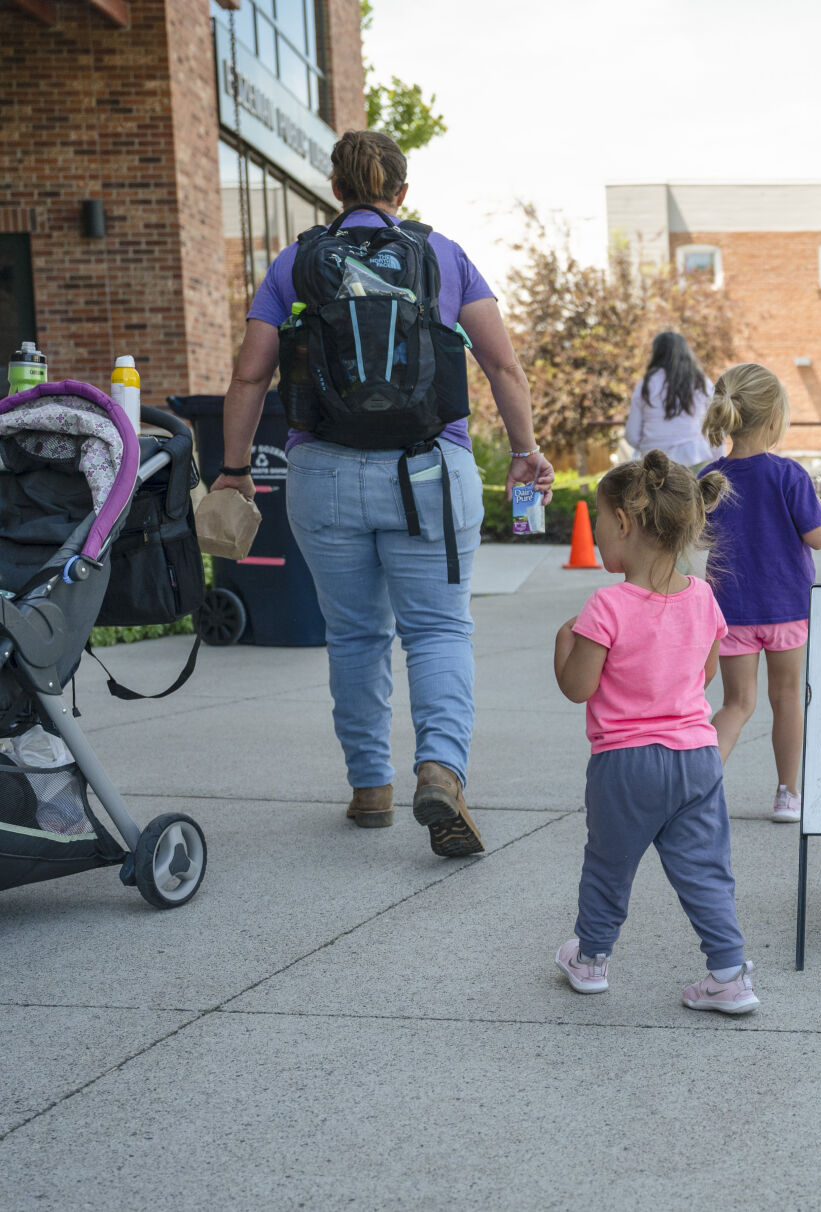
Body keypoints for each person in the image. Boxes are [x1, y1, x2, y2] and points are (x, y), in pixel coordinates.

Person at [212, 130, 554, 854]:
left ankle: (371, 788)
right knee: (437, 630)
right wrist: (524, 452)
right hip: (430, 470)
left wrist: (235, 467)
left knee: (356, 635)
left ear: (335, 191)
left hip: (323, 474)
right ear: (402, 191)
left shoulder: (297, 261)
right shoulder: (444, 256)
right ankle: (441, 771)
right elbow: (502, 364)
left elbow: (250, 376)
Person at [552, 451, 758, 1014]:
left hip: (625, 764)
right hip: (697, 758)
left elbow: (577, 687)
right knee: (705, 870)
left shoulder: (606, 606)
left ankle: (591, 959)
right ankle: (729, 974)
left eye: (598, 524)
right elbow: (706, 672)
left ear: (624, 522)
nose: (596, 538)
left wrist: (564, 642)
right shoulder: (704, 597)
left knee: (609, 866)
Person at [699, 364, 821, 824]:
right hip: (787, 608)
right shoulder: (789, 475)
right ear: (775, 419)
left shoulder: (710, 478)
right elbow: (817, 537)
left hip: (730, 610)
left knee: (737, 703)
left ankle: (697, 791)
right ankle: (788, 794)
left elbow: (698, 541)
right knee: (788, 696)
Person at [624, 331, 719, 467]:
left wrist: (650, 446)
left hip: (656, 465)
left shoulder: (645, 384)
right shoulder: (701, 383)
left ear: (657, 353)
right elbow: (715, 428)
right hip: (695, 457)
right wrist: (719, 462)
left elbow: (632, 435)